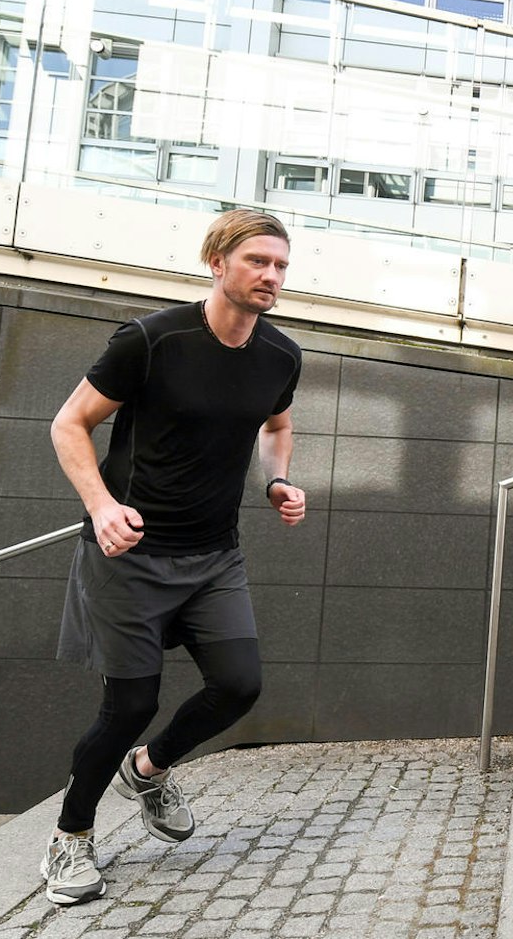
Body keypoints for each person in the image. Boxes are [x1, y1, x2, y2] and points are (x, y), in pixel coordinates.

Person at [39, 210, 307, 904]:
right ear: (217, 262)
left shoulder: (280, 355)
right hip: (130, 555)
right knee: (130, 703)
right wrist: (101, 505)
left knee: (239, 684)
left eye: (280, 264)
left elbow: (276, 427)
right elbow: (69, 423)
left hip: (215, 555)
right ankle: (71, 836)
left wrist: (275, 478)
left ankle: (149, 770)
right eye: (257, 261)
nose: (271, 275)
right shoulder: (151, 341)